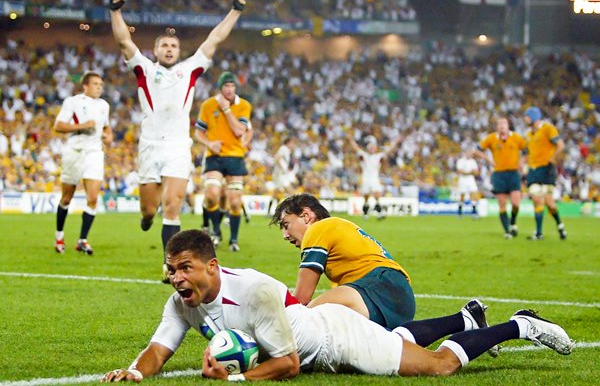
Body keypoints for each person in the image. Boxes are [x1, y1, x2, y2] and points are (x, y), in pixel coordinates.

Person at [101, 229, 573, 382]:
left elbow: (287, 363)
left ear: (211, 266)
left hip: (335, 338)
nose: (175, 277)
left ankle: (518, 326)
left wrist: (240, 377)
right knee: (401, 343)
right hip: (315, 341)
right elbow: (159, 348)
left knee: (439, 366)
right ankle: (466, 317)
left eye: (184, 268)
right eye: (171, 268)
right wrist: (136, 371)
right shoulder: (180, 302)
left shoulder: (255, 290)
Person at [109, 0, 246, 274]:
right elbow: (124, 41)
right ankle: (147, 219)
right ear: (156, 50)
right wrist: (115, 12)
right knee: (150, 210)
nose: (169, 49)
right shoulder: (144, 68)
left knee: (172, 207)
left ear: (178, 50)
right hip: (149, 146)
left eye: (173, 45)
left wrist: (235, 10)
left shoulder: (190, 69)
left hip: (177, 147)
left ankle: (169, 266)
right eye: (164, 45)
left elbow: (214, 39)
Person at [270, 193, 415, 329]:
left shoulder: (318, 229)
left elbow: (301, 299)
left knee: (303, 319)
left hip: (378, 287)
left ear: (306, 216)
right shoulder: (339, 230)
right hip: (402, 300)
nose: (285, 235)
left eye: (286, 225)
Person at [53, 71, 113, 255]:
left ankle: (82, 240)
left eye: (101, 85)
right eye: (95, 84)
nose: (99, 88)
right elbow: (58, 126)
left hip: (94, 153)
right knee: (66, 198)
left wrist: (108, 136)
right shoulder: (72, 102)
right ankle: (59, 236)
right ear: (85, 86)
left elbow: (106, 127)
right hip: (74, 152)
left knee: (93, 198)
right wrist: (82, 126)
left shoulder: (104, 105)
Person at [194, 71, 252, 252]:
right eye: (226, 86)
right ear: (220, 87)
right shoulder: (208, 105)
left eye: (232, 86)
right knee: (211, 195)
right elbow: (198, 132)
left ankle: (234, 239)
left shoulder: (243, 105)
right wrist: (209, 142)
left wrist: (226, 109)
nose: (229, 89)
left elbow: (239, 131)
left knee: (235, 201)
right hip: (215, 156)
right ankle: (216, 232)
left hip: (235, 156)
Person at [473, 117, 527, 239]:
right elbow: (477, 150)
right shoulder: (492, 138)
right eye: (499, 124)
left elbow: (526, 150)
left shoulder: (516, 138)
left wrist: (522, 161)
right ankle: (507, 230)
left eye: (504, 123)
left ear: (508, 126)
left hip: (513, 173)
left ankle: (513, 222)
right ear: (497, 127)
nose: (501, 126)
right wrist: (488, 160)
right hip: (499, 174)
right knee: (502, 203)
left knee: (516, 203)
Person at [523, 107, 567, 240]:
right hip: (533, 170)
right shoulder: (528, 134)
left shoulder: (548, 128)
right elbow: (529, 153)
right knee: (537, 199)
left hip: (547, 169)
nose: (525, 119)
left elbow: (560, 145)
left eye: (527, 116)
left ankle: (560, 225)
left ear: (534, 117)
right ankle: (539, 233)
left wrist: (553, 158)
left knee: (549, 203)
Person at [347, 134, 401, 220]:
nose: (372, 149)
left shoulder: (378, 156)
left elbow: (389, 150)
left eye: (373, 147)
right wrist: (350, 140)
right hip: (365, 178)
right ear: (368, 148)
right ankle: (365, 214)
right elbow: (356, 148)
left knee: (377, 195)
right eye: (371, 147)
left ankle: (379, 213)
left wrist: (396, 141)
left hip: (374, 178)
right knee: (366, 198)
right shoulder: (363, 155)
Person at [266, 137, 297, 216]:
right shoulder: (284, 148)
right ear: (288, 143)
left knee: (276, 193)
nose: (293, 145)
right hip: (280, 174)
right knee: (291, 191)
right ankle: (293, 210)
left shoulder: (287, 150)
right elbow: (277, 158)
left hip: (281, 174)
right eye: (292, 143)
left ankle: (270, 211)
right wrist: (283, 168)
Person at [455, 150, 480, 217]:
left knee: (474, 193)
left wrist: (468, 172)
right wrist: (470, 172)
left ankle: (474, 211)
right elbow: (460, 171)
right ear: (466, 153)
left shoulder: (473, 161)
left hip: (470, 179)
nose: (470, 155)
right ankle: (460, 210)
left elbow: (476, 172)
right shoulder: (460, 161)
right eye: (469, 153)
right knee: (462, 195)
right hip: (462, 179)